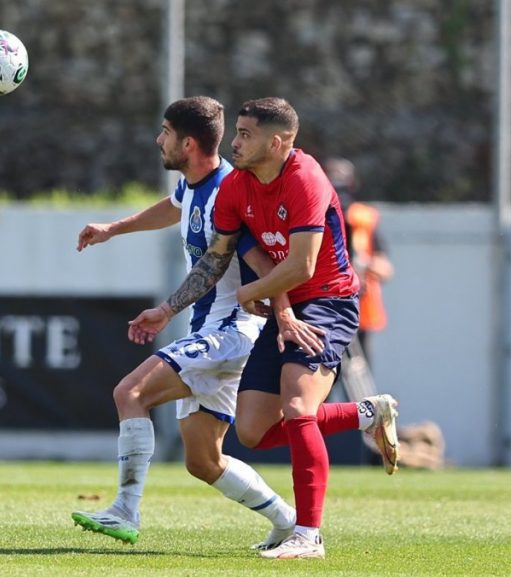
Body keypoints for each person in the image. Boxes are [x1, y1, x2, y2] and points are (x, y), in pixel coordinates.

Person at [127, 97, 399, 559]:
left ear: (278, 143)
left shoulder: (306, 181)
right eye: (236, 132)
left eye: (245, 135)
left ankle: (308, 535)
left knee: (297, 405)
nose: (234, 142)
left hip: (328, 302)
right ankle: (364, 414)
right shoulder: (237, 186)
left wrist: (254, 296)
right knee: (252, 432)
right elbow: (216, 259)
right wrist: (168, 309)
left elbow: (302, 265)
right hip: (280, 304)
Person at [70, 96, 306, 549]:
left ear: (189, 143)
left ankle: (124, 509)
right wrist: (113, 228)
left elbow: (255, 259)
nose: (158, 140)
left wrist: (281, 309)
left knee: (130, 392)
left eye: (164, 132)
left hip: (232, 332)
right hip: (211, 333)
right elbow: (172, 206)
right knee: (203, 461)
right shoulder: (194, 185)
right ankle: (288, 521)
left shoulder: (227, 192)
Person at [323, 157, 394, 368]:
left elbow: (386, 269)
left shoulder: (364, 220)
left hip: (358, 313)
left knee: (359, 377)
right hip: (324, 312)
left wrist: (363, 266)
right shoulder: (315, 215)